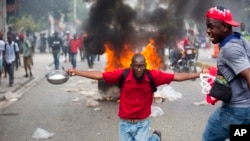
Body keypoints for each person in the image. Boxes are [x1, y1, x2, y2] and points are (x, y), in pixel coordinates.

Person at [67, 53, 201, 141]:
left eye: (141, 66)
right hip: (124, 124)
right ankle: (155, 138)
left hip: (142, 124)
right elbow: (100, 75)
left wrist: (198, 74)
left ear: (145, 66)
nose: (139, 69)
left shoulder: (152, 76)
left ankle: (154, 137)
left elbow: (176, 77)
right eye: (136, 66)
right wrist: (77, 72)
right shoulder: (123, 74)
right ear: (131, 66)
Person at [202, 6, 250, 141]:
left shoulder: (230, 49)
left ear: (224, 26)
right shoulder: (240, 40)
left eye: (211, 26)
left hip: (235, 112)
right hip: (245, 110)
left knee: (209, 137)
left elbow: (248, 74)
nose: (208, 31)